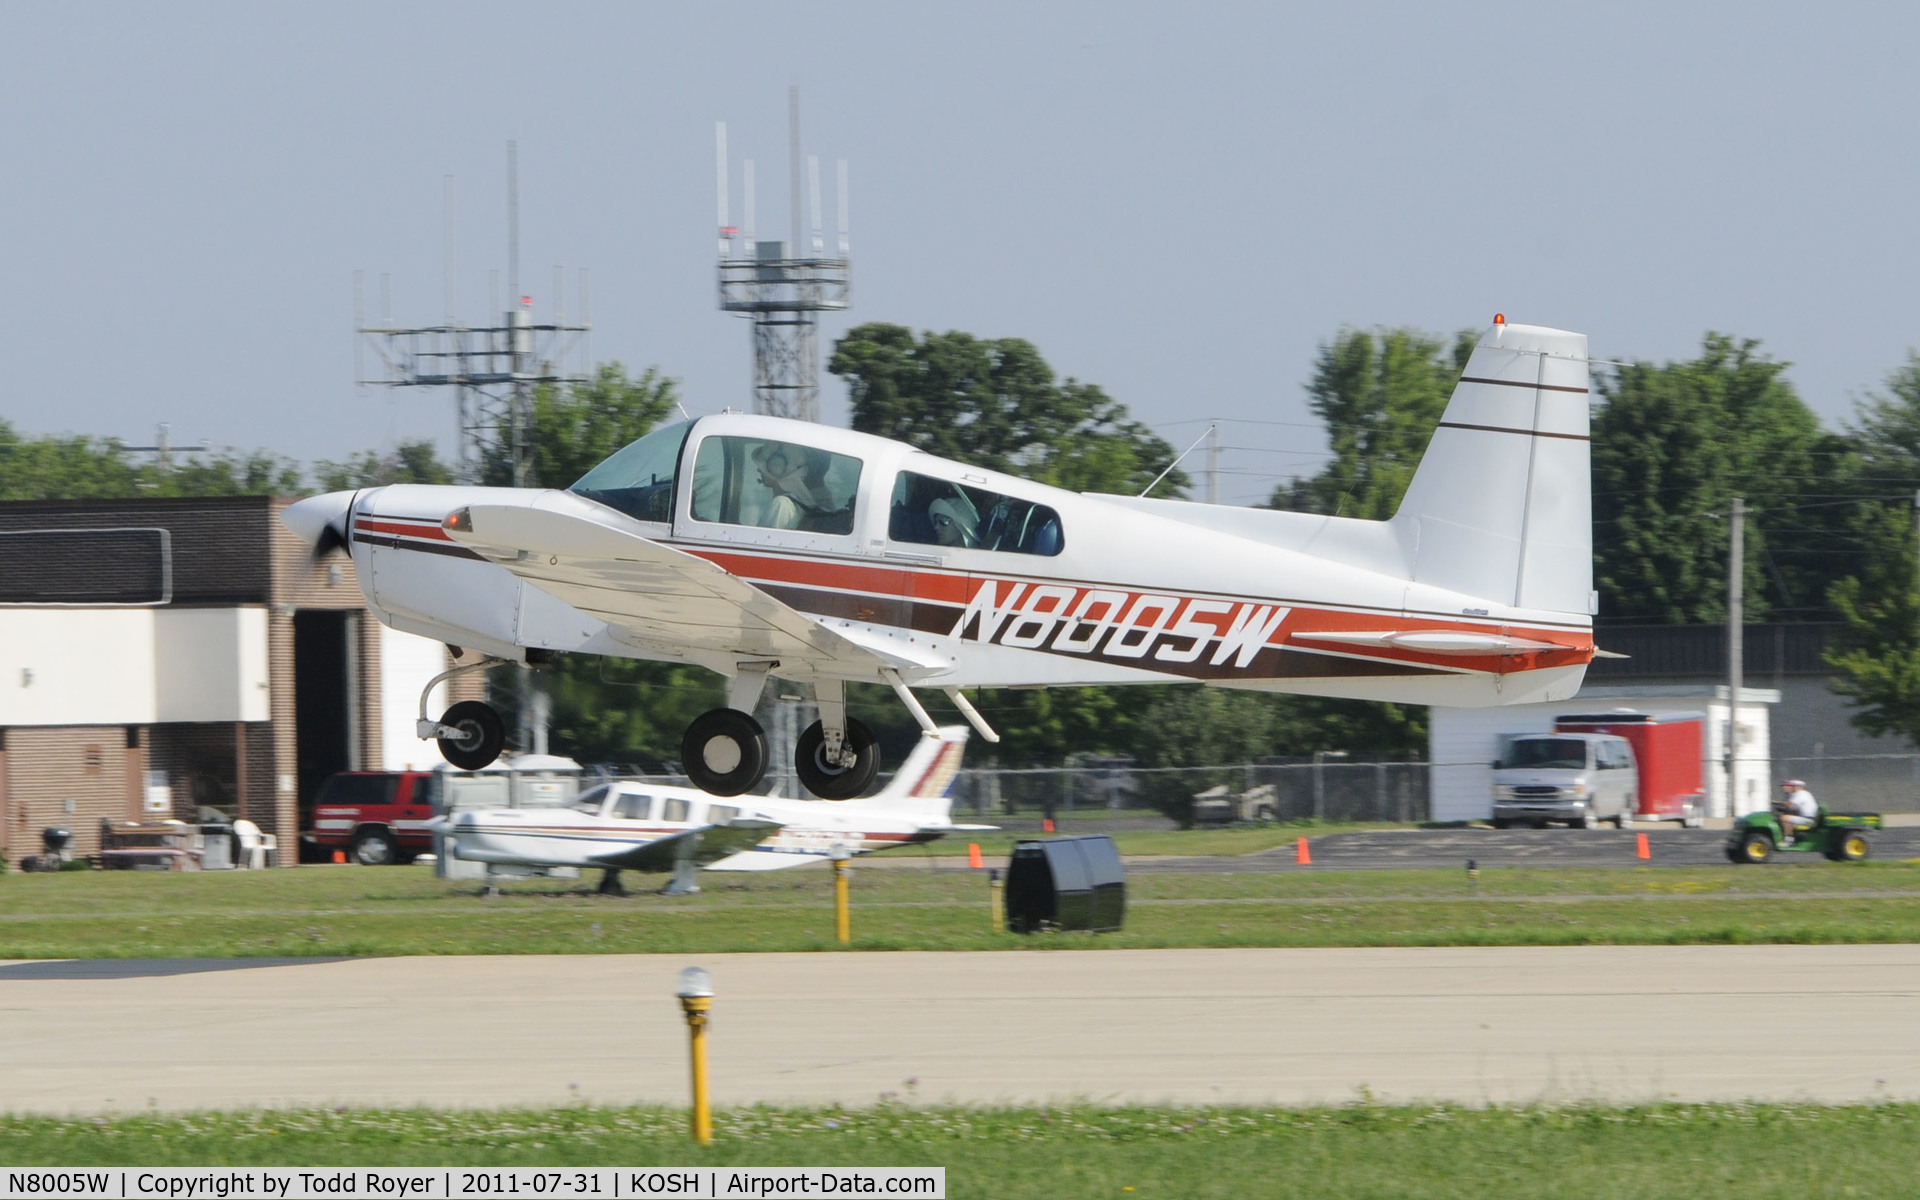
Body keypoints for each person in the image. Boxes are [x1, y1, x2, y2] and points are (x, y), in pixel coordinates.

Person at [1775, 779, 1818, 845]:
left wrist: (1776, 803)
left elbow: (1789, 804)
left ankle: (1789, 841)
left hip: (1808, 819)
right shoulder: (1803, 794)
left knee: (1784, 818)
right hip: (1807, 818)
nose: (1791, 787)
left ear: (1798, 787)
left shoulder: (1801, 793)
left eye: (1792, 786)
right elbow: (1792, 808)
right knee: (1786, 816)